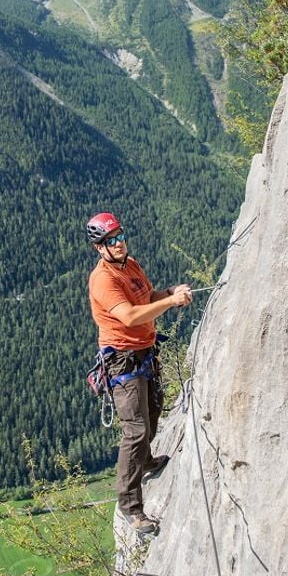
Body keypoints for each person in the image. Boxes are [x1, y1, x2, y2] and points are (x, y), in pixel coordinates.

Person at [86, 211, 193, 534]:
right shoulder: (103, 280)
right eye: (110, 241)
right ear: (99, 248)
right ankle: (132, 507)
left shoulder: (130, 265)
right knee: (134, 430)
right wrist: (172, 302)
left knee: (153, 410)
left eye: (119, 237)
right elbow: (131, 316)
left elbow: (146, 298)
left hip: (144, 352)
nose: (118, 244)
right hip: (122, 360)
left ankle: (145, 461)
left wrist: (169, 293)